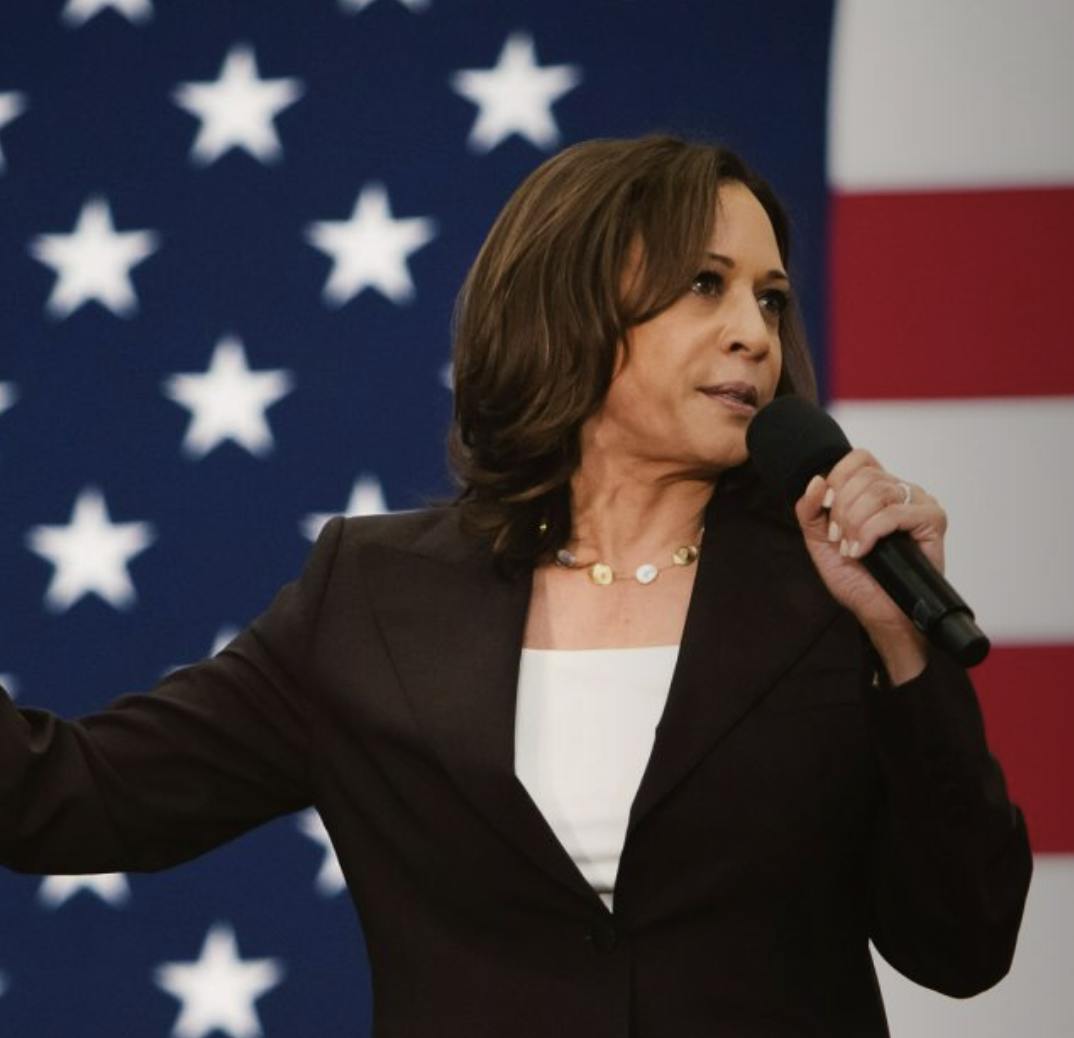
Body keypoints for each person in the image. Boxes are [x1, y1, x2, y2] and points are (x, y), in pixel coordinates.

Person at [1, 135, 1031, 1036]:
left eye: (770, 298)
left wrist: (905, 649)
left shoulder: (828, 600)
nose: (755, 334)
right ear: (570, 304)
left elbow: (964, 945)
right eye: (704, 284)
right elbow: (65, 798)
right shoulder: (373, 599)